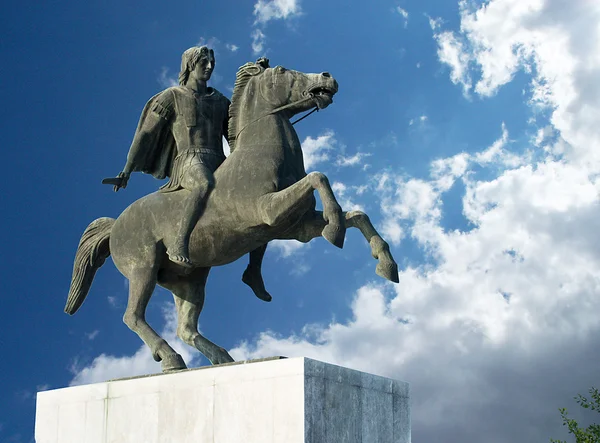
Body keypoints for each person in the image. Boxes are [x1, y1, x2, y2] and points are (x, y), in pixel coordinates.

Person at [108, 46, 272, 301]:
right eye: (203, 62)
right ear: (189, 65)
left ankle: (254, 269)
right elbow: (145, 134)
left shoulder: (219, 100)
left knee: (259, 196)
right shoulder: (171, 97)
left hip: (220, 159)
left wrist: (257, 78)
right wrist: (126, 171)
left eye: (211, 62)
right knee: (203, 185)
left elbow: (237, 128)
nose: (209, 67)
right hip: (189, 161)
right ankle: (178, 243)